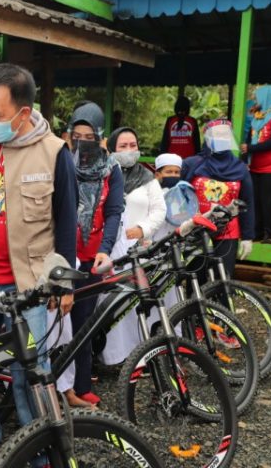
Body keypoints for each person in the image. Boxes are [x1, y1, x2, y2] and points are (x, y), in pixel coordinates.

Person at [0, 63, 78, 467]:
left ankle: (37, 449)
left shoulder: (54, 153)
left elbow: (66, 221)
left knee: (32, 372)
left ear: (23, 114)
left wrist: (63, 286)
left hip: (25, 287)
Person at [67, 102, 124, 406]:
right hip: (62, 256)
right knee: (56, 326)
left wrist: (105, 249)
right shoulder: (61, 162)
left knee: (84, 322)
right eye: (76, 135)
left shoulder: (111, 169)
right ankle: (55, 387)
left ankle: (80, 383)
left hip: (93, 258)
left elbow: (114, 212)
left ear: (100, 137)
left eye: (88, 135)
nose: (82, 142)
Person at [99, 127, 166, 366]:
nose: (129, 151)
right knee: (114, 304)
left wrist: (143, 229)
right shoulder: (103, 174)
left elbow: (160, 210)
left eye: (133, 146)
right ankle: (115, 356)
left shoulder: (147, 178)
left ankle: (142, 354)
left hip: (139, 249)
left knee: (139, 304)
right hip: (110, 249)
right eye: (123, 146)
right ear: (112, 149)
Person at [182, 119, 255, 278]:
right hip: (197, 229)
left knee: (223, 279)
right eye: (217, 135)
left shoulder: (240, 168)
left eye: (225, 135)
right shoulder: (192, 164)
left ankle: (221, 304)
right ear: (208, 138)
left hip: (228, 231)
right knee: (195, 279)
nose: (222, 139)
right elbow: (179, 195)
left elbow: (247, 203)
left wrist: (248, 237)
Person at [241, 86, 271, 244]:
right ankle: (257, 232)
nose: (256, 101)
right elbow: (249, 137)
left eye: (258, 98)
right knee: (255, 200)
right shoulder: (258, 116)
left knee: (268, 201)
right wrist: (246, 154)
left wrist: (251, 148)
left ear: (267, 97)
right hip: (255, 165)